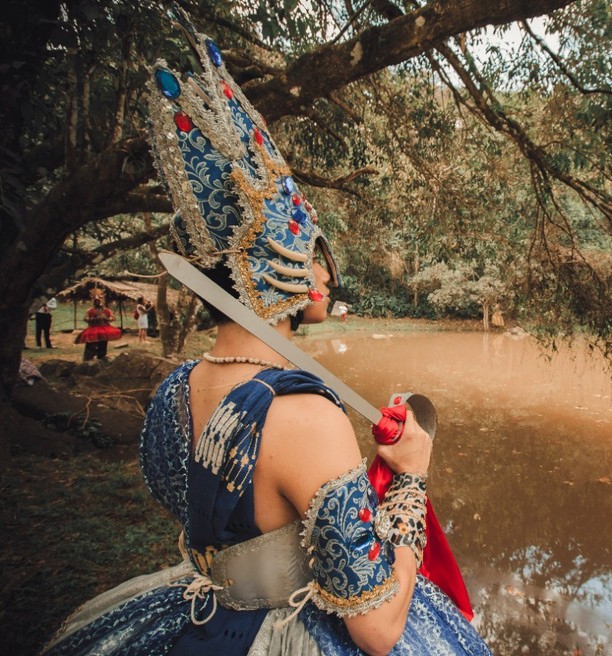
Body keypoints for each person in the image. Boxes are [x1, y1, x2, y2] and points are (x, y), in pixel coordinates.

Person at [44, 9, 490, 655]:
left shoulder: (176, 390)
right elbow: (375, 630)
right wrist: (412, 480)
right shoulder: (306, 416)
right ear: (278, 269)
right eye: (314, 254)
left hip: (204, 610)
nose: (325, 274)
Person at [74, 293, 122, 360]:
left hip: (104, 328)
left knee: (103, 343)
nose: (97, 302)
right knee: (91, 343)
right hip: (93, 328)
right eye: (96, 301)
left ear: (102, 301)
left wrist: (106, 318)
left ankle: (101, 357)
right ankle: (89, 358)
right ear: (93, 301)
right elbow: (85, 318)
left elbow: (113, 318)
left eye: (98, 301)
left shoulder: (106, 310)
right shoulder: (90, 310)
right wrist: (93, 319)